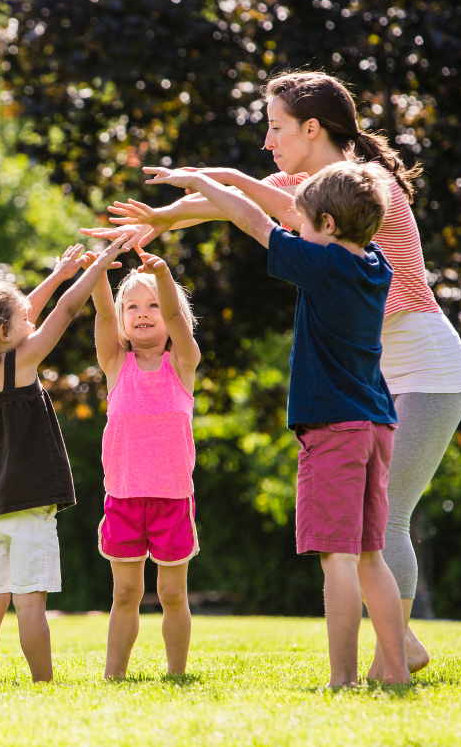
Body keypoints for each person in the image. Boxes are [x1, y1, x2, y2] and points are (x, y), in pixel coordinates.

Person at [87, 71, 461, 673]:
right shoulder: (315, 193)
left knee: (384, 518)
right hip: (370, 381)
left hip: (425, 369)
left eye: (276, 127)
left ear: (312, 128)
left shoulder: (363, 189)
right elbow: (226, 206)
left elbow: (254, 210)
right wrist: (161, 217)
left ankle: (392, 655)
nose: (268, 141)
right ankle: (400, 651)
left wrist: (209, 186)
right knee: (371, 530)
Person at [144, 160, 411, 687]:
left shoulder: (323, 265)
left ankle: (343, 678)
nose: (297, 227)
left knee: (336, 558)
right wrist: (239, 186)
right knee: (370, 555)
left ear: (328, 225)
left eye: (306, 222)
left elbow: (254, 221)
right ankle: (397, 671)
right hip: (376, 423)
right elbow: (292, 215)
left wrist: (205, 183)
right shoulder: (375, 263)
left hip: (334, 427)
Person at [0, 235, 135, 682]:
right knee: (31, 603)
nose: (29, 319)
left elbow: (20, 316)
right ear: (4, 332)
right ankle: (43, 683)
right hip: (28, 503)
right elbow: (65, 312)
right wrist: (95, 269)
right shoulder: (21, 361)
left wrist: (58, 275)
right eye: (21, 318)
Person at [92, 251, 201, 679]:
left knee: (172, 594)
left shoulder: (183, 364)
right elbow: (103, 313)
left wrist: (163, 275)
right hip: (123, 499)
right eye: (132, 307)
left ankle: (176, 673)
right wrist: (98, 272)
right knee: (125, 593)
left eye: (153, 305)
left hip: (173, 500)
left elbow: (175, 314)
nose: (143, 313)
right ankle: (114, 675)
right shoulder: (116, 365)